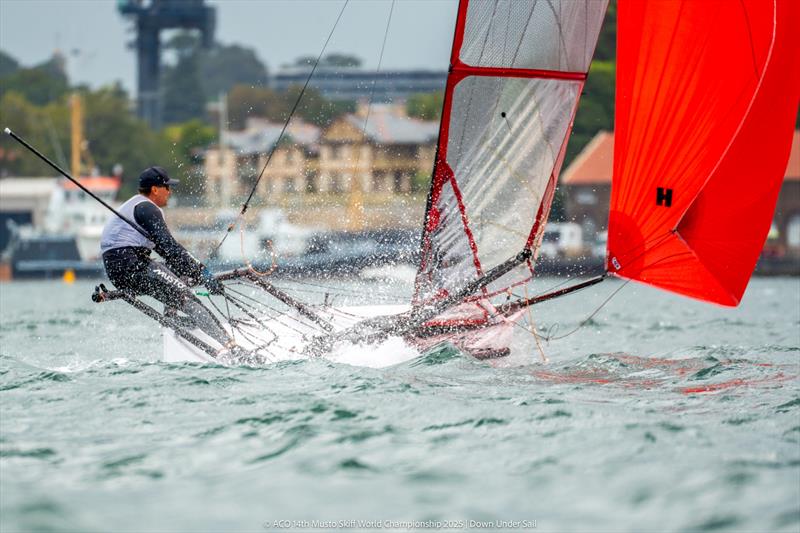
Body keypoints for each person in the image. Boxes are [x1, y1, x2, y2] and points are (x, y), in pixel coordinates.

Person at [100, 166, 232, 347]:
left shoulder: (135, 205)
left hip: (121, 269)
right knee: (188, 299)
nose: (170, 191)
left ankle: (172, 317)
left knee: (177, 273)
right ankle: (232, 348)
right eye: (166, 187)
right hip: (131, 265)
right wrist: (203, 272)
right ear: (154, 189)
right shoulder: (147, 208)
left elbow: (167, 253)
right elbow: (169, 247)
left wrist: (193, 271)